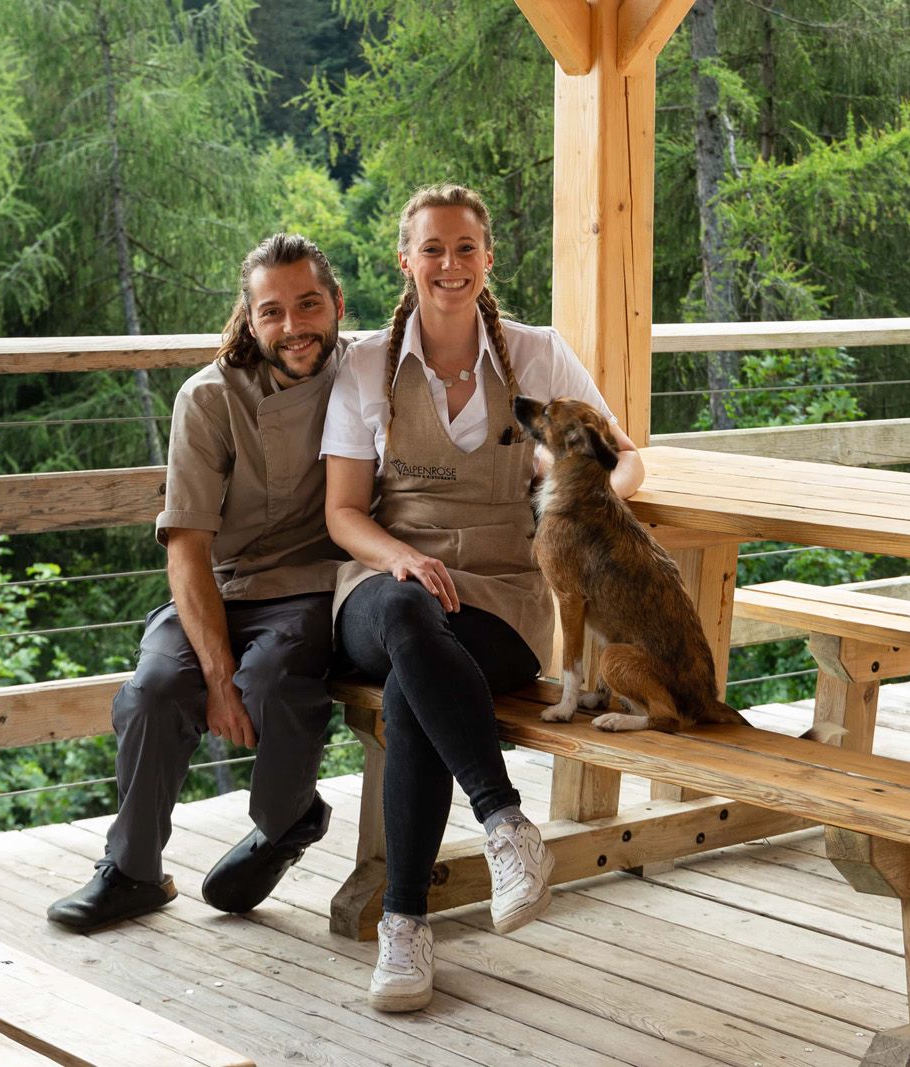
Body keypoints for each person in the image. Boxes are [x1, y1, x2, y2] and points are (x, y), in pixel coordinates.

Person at [322, 184, 645, 1011]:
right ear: (406, 260)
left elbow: (625, 459)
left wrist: (572, 489)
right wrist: (399, 556)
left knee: (413, 686)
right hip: (381, 583)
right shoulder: (364, 364)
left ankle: (404, 929)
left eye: (466, 248)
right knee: (404, 616)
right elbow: (343, 511)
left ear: (488, 258)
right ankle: (505, 822)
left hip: (500, 593)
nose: (449, 265)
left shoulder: (536, 355)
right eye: (432, 249)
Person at [47, 234, 350, 932]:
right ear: (249, 318)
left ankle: (286, 822)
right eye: (272, 311)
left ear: (335, 304)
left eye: (309, 305)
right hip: (216, 581)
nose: (294, 327)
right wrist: (216, 679)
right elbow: (186, 546)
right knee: (152, 689)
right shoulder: (208, 397)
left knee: (274, 681)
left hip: (310, 582)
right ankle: (132, 871)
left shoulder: (364, 374)